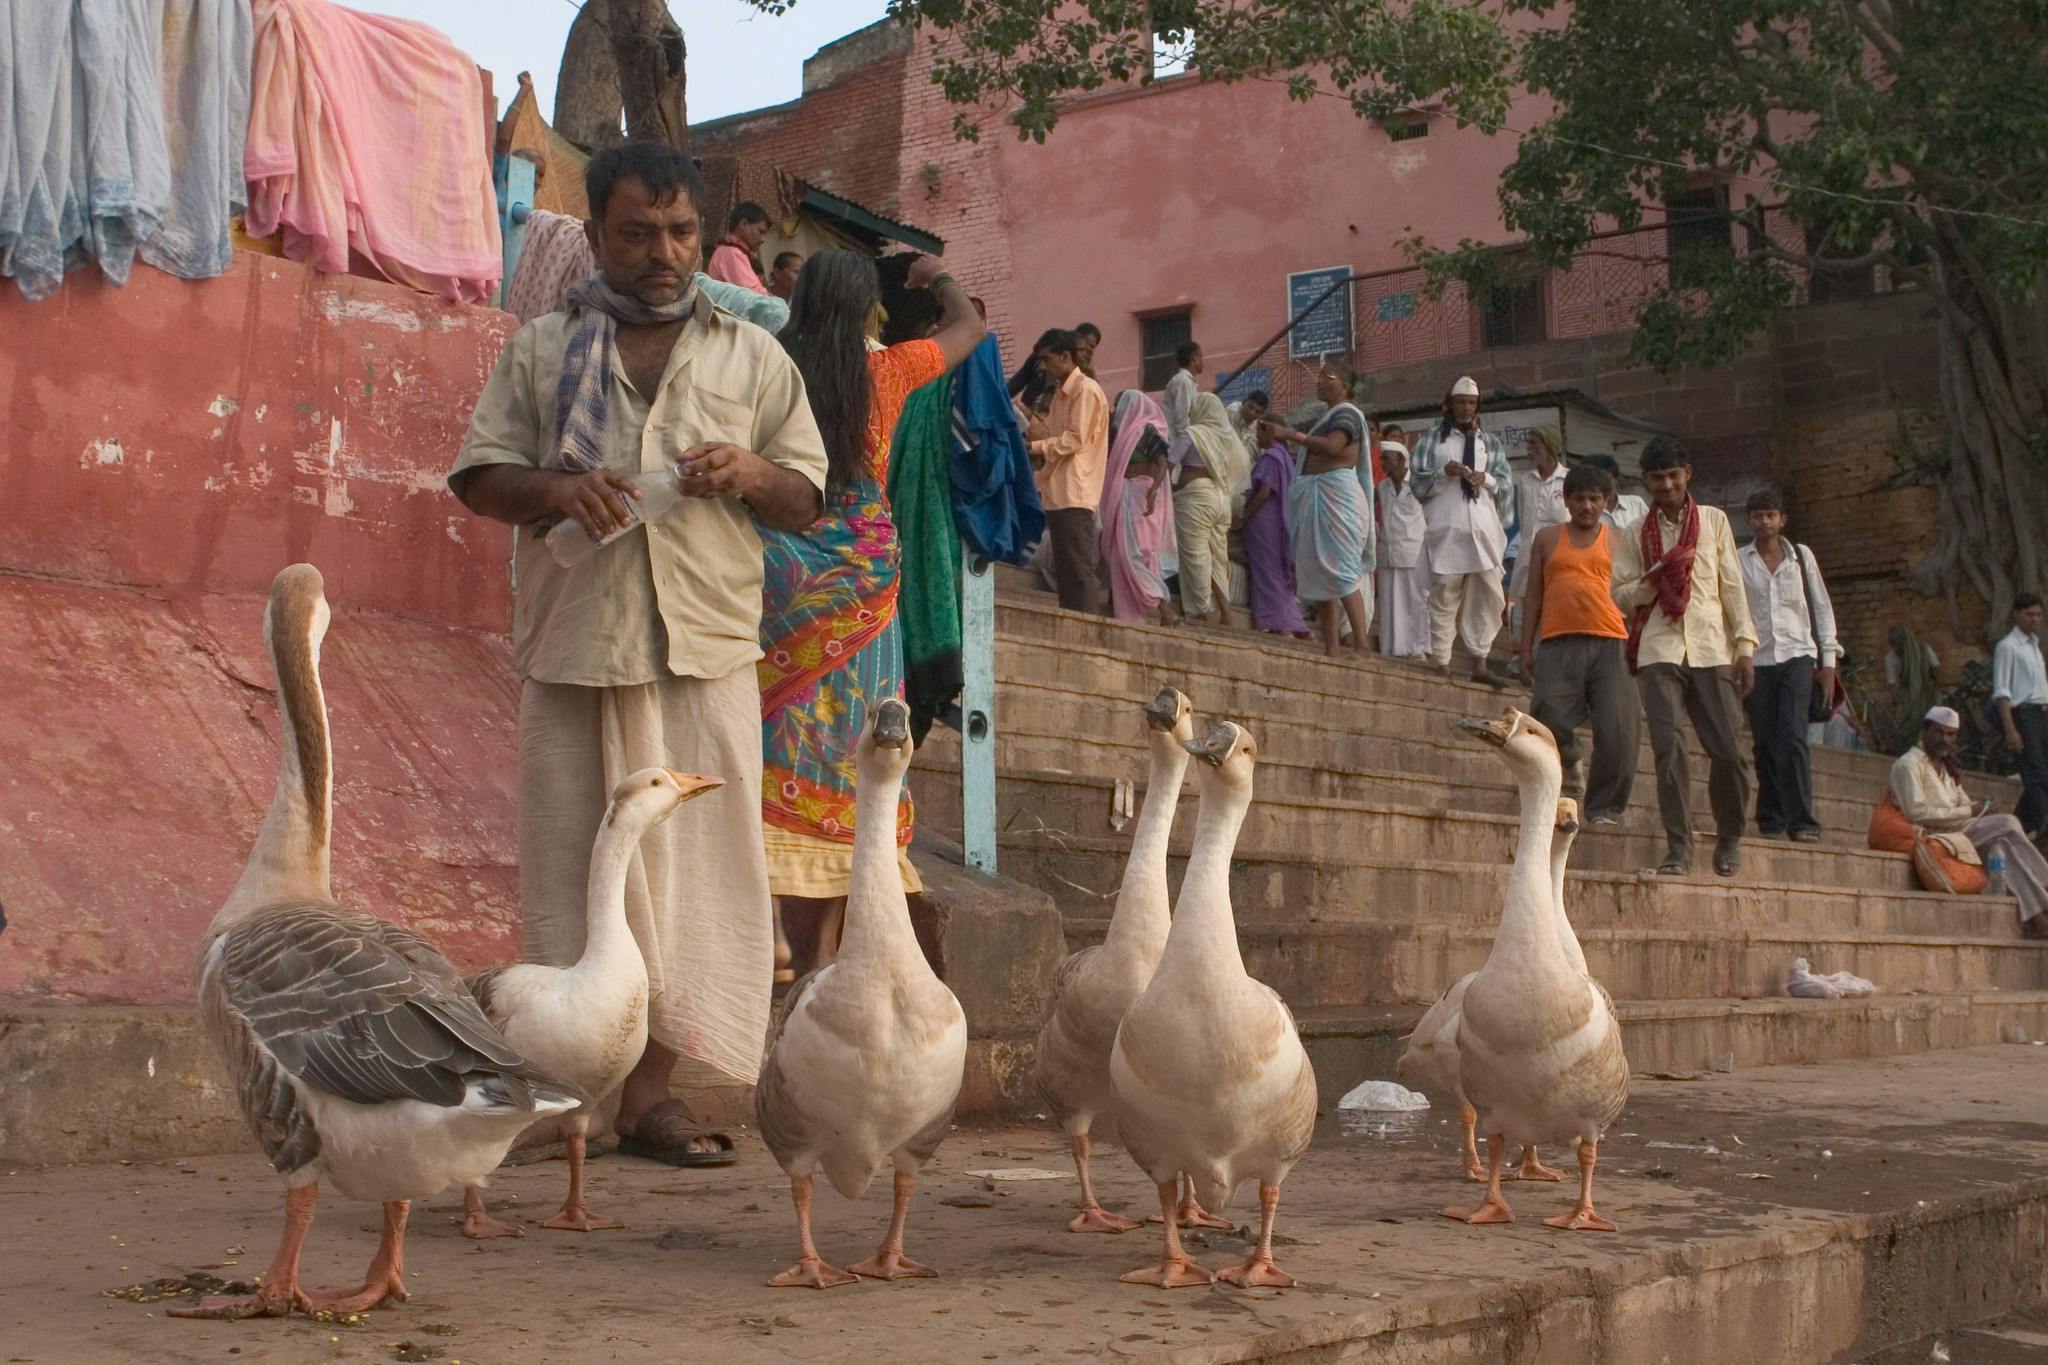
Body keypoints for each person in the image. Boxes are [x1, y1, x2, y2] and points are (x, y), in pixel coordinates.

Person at [447, 143, 827, 1162]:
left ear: (701, 236)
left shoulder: (753, 357)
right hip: (575, 644)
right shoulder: (540, 350)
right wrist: (557, 489)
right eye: (636, 233)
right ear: (595, 236)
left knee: (698, 880)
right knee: (574, 876)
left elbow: (805, 498)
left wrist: (748, 470)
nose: (661, 252)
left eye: (679, 233)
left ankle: (652, 1098)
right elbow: (480, 480)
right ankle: (565, 1104)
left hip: (704, 650)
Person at [757, 250, 985, 970]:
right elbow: (971, 324)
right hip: (862, 580)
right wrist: (933, 275)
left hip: (780, 571)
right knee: (856, 746)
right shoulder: (886, 371)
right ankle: (824, 946)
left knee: (768, 734)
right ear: (866, 311)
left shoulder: (766, 362)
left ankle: (765, 929)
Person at [1611, 437, 1758, 877]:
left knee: (1731, 753)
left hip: (1712, 647)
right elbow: (1619, 594)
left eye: (1673, 475)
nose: (1667, 484)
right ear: (1646, 481)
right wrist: (1654, 580)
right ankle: (1679, 847)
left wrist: (1745, 647)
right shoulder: (1637, 532)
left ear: (1687, 474)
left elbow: (1732, 586)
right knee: (1667, 748)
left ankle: (1729, 835)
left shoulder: (1713, 521)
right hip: (1660, 648)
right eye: (1657, 478)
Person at [1519, 462, 1638, 826]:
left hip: (1612, 641)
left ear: (1606, 502)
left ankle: (1603, 808)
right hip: (1558, 640)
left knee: (1618, 730)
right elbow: (1534, 595)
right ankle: (1570, 759)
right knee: (1547, 716)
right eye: (1580, 499)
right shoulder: (1547, 539)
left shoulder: (1617, 541)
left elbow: (1632, 595)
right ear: (1566, 501)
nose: (1587, 506)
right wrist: (1526, 645)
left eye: (1595, 499)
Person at [1869, 707, 2048, 936]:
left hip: (1957, 831)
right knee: (2009, 823)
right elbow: (1916, 812)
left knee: (2000, 847)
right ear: (1925, 730)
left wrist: (1980, 809)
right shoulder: (1908, 765)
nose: (1945, 739)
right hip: (1933, 835)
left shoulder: (1947, 767)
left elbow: (1963, 803)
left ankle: (2037, 917)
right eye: (1939, 732)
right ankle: (2044, 881)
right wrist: (1968, 812)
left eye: (1951, 734)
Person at [1739, 486, 1841, 843]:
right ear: (1749, 520)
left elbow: (1821, 606)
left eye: (1771, 515)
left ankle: (1802, 820)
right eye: (1757, 515)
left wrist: (1828, 661)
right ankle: (1771, 817)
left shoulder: (1801, 556)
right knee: (1764, 740)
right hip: (1757, 659)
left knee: (1794, 736)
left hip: (1799, 656)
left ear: (1782, 520)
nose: (1764, 522)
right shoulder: (1739, 560)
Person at [1409, 376, 1512, 686]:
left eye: (1471, 402)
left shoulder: (1489, 442)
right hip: (1448, 529)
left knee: (1487, 595)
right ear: (1449, 404)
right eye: (1461, 402)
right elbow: (1417, 482)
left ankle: (1480, 663)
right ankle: (1442, 661)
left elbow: (1506, 483)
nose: (1466, 408)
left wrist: (1488, 479)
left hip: (1482, 530)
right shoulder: (1432, 440)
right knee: (1444, 595)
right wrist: (1444, 473)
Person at [1273, 371, 1374, 659]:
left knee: (1342, 571)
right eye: (1317, 377)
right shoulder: (1329, 416)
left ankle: (1362, 646)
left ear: (1345, 386)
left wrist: (1292, 435)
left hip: (1338, 497)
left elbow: (1333, 447)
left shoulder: (1348, 414)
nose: (1319, 382)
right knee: (1320, 576)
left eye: (1327, 377)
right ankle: (1331, 648)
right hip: (1320, 496)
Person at [1025, 329, 1111, 613]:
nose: (1043, 367)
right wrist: (1027, 423)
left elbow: (1074, 439)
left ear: (1064, 357)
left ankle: (1086, 627)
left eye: (1047, 360)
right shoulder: (1062, 394)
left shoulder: (1085, 390)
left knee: (1078, 568)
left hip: (1076, 491)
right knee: (1065, 569)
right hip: (1059, 490)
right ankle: (1073, 622)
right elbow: (1052, 432)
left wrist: (1036, 447)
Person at [1099, 389, 1180, 625]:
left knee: (1130, 553)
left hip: (1138, 496)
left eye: (1119, 405)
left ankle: (1164, 607)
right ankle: (1122, 606)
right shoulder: (1122, 433)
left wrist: (1154, 490)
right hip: (1125, 494)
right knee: (1119, 551)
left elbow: (1162, 463)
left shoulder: (1146, 430)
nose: (1117, 411)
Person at [1172, 392, 1249, 626]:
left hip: (1196, 500)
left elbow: (1168, 462)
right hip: (1222, 500)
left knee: (1197, 557)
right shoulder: (1227, 440)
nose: (1189, 413)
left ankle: (1206, 612)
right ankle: (1226, 612)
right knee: (1218, 558)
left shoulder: (1193, 434)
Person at [1507, 425, 1570, 659]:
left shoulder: (1568, 479)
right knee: (1521, 605)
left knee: (1552, 606)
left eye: (1535, 443)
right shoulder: (1525, 480)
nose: (1529, 449)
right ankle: (1521, 658)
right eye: (1529, 443)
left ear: (1549, 446)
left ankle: (1547, 659)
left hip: (1558, 553)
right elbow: (1526, 523)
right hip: (1528, 553)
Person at [1991, 593, 2048, 836]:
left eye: (2038, 615)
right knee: (2036, 775)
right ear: (2016, 614)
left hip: (2042, 714)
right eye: (2029, 614)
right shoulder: (2008, 646)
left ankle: (2017, 828)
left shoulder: (2034, 645)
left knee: (2042, 774)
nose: (2034, 620)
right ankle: (2035, 824)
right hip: (2023, 716)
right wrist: (2010, 728)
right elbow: (2002, 690)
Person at [1242, 430, 1307, 636]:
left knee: (1267, 572)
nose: (1257, 436)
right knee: (1278, 573)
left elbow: (1264, 491)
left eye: (1260, 431)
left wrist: (1246, 514)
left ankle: (1279, 622)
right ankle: (1291, 622)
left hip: (1265, 522)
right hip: (1280, 522)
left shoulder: (1272, 456)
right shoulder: (1286, 458)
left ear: (1270, 433)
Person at [1376, 440, 1430, 659]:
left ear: (1400, 459)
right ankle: (1392, 648)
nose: (1383, 463)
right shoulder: (1382, 487)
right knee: (1390, 603)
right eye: (1382, 458)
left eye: (1387, 458)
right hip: (1389, 552)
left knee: (1416, 602)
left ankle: (1419, 648)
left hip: (1413, 551)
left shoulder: (1418, 484)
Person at [707, 201, 772, 296]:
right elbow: (752, 296)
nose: (763, 239)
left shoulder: (733, 251)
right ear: (744, 224)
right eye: (760, 232)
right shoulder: (731, 253)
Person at [1582, 454, 1647, 530]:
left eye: (1607, 479)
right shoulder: (1584, 510)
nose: (1601, 484)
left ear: (1616, 479)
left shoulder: (1636, 504)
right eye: (1594, 480)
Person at [1162, 340, 1202, 460]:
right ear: (1194, 358)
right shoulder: (1183, 381)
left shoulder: (1186, 381)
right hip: (1177, 448)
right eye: (1201, 357)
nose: (1202, 361)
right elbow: (1182, 421)